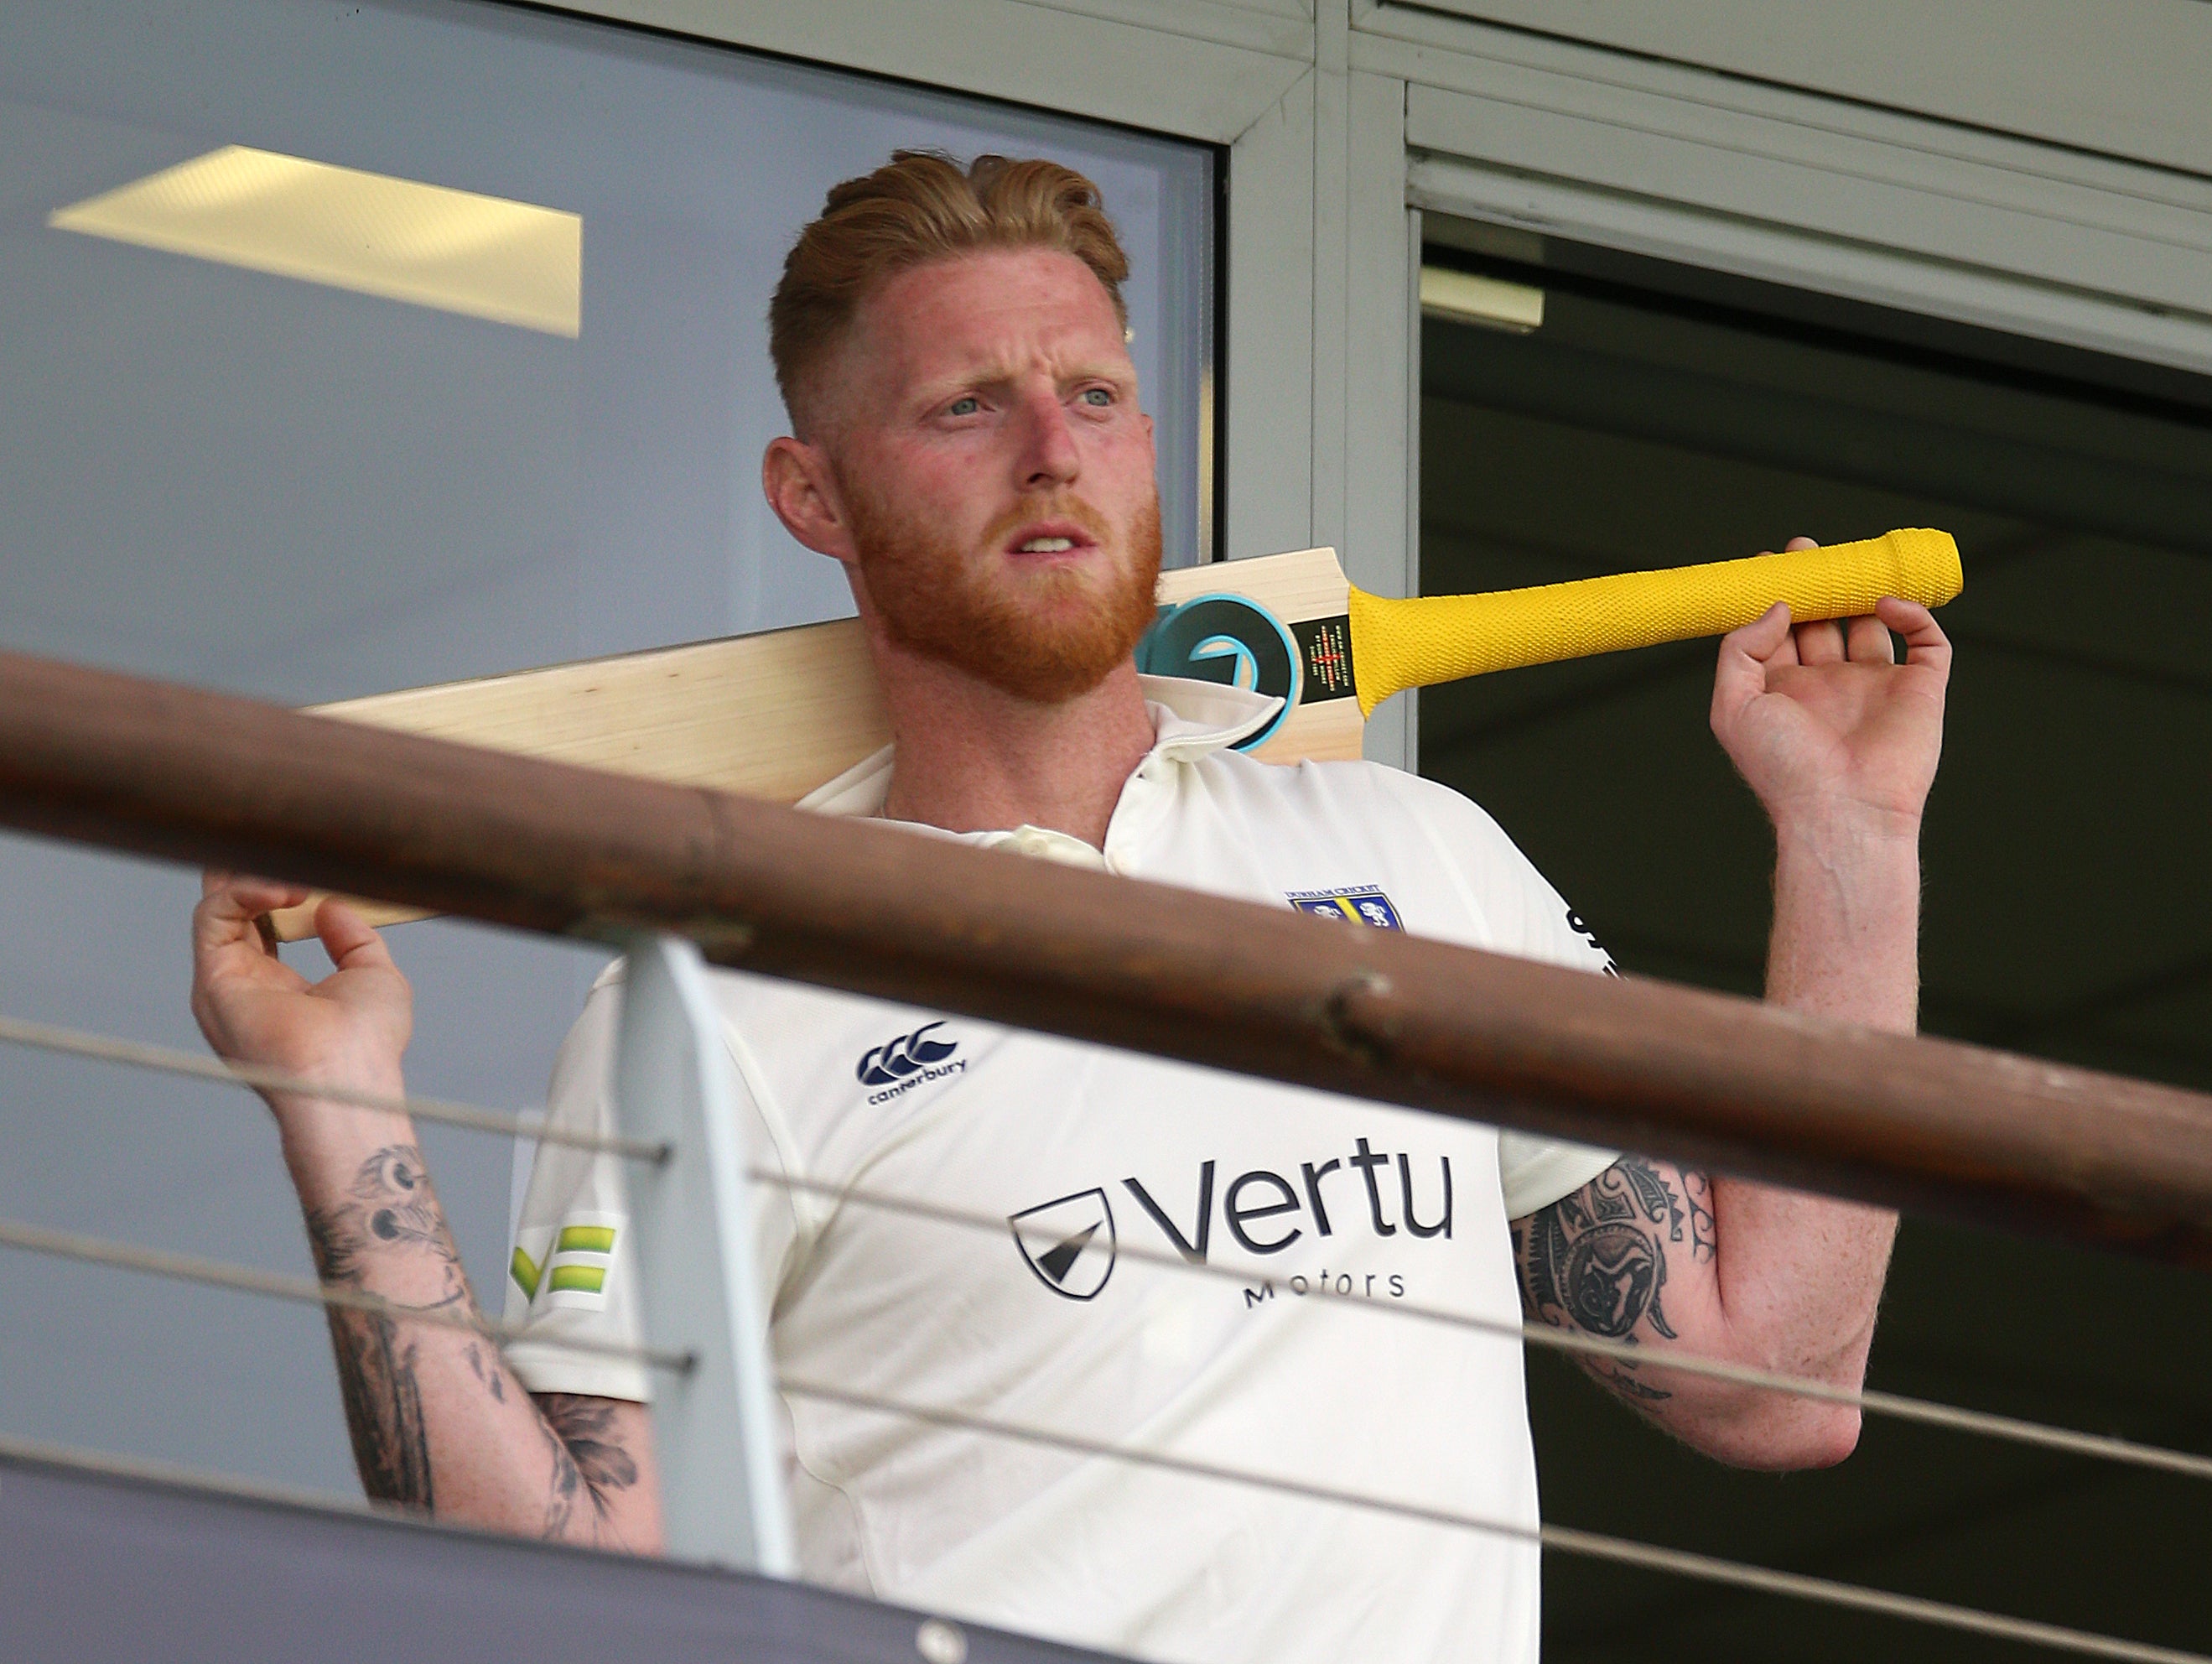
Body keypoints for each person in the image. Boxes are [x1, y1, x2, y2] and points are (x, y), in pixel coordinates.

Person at [190, 152, 1950, 1664]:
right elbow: (573, 1581)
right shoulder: (719, 1005)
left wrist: (1851, 838)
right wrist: (338, 1108)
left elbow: (1767, 1378)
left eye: (1093, 395)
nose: (1051, 449)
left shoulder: (1417, 854)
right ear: (815, 495)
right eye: (967, 406)